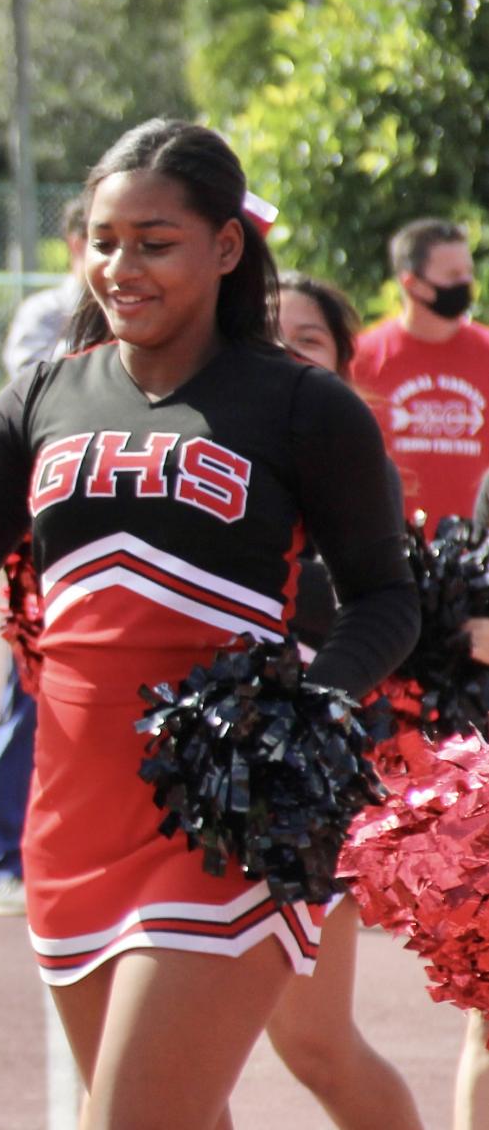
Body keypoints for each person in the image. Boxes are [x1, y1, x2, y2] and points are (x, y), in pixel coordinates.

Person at [0, 119, 417, 1128]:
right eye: (103, 241)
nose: (120, 267)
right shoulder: (40, 397)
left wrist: (306, 714)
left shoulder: (301, 405)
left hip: (224, 813)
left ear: (225, 247)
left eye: (154, 241)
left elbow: (385, 594)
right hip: (69, 814)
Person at [265, 271, 424, 1130]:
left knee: (315, 1047)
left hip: (296, 782)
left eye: (307, 338)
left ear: (341, 359)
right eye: (267, 331)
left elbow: (377, 604)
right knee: (150, 1054)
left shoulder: (348, 450)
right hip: (157, 778)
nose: (285, 350)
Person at [0, 197, 89, 918]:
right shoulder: (47, 313)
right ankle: (2, 862)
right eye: (101, 239)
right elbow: (39, 398)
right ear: (76, 242)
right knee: (26, 694)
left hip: (114, 530)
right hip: (40, 533)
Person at [350, 218, 489, 532]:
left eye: (468, 272)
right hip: (391, 549)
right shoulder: (362, 358)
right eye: (454, 275)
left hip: (478, 555)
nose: (467, 282)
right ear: (413, 283)